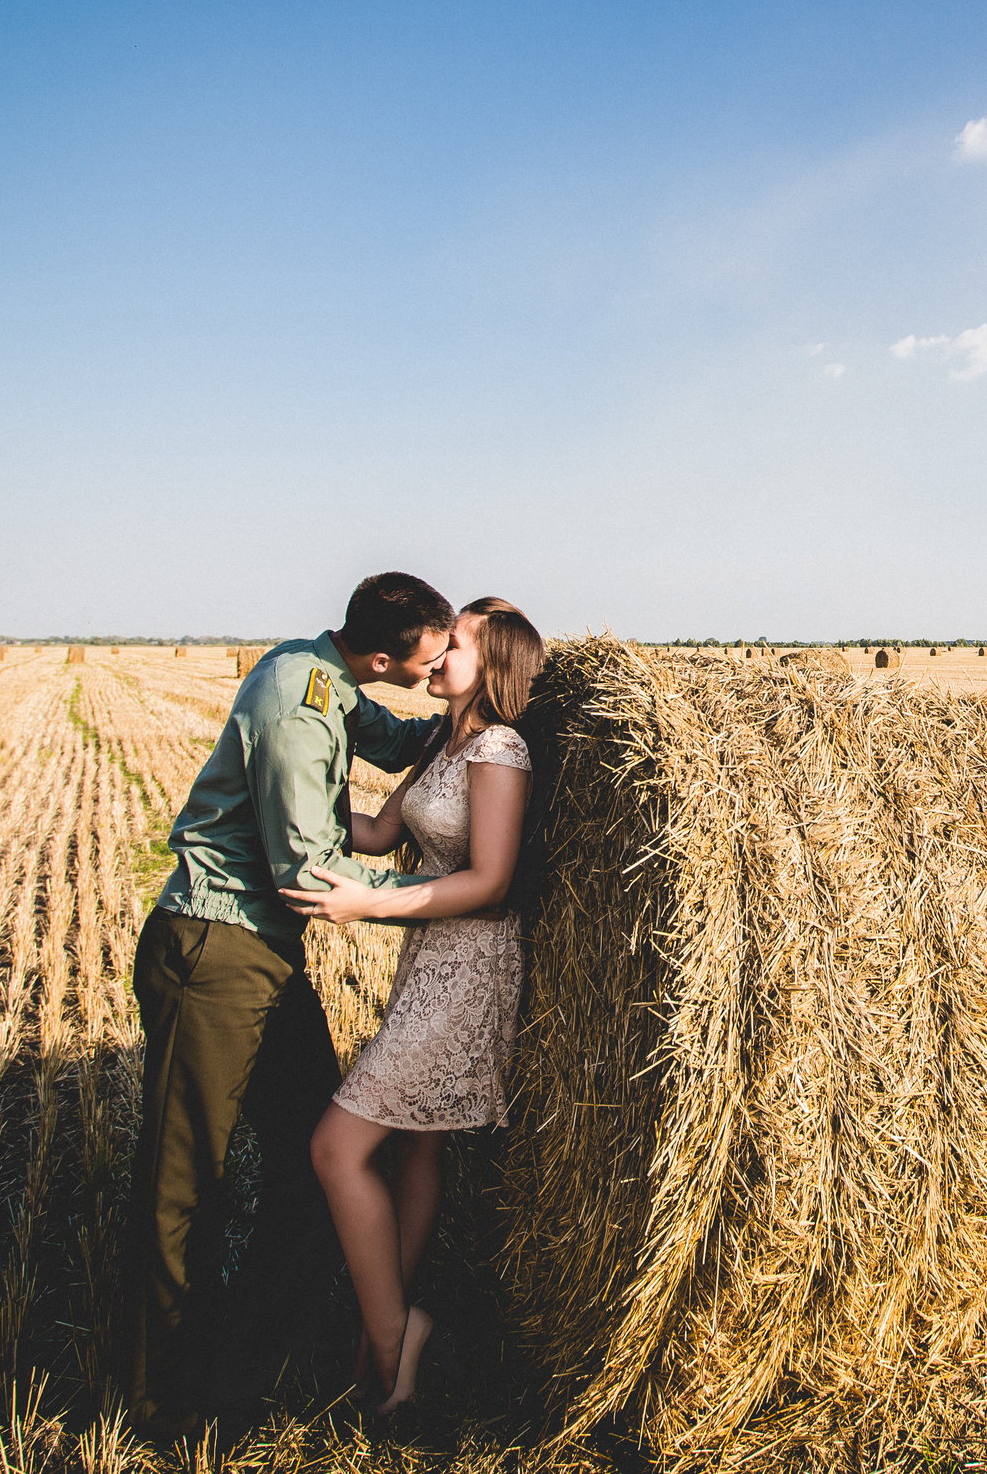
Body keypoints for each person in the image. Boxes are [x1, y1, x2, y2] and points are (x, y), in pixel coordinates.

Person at [126, 572, 456, 1441]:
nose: (435, 671)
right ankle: (167, 1400)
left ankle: (239, 1355)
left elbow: (395, 741)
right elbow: (308, 875)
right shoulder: (299, 705)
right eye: (429, 662)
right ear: (382, 654)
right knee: (186, 1183)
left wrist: (494, 714)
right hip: (215, 947)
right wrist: (451, 893)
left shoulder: (332, 676)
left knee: (314, 1159)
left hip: (259, 953)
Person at [282, 597, 545, 1413]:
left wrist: (370, 906)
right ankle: (380, 1334)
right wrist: (287, 790)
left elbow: (490, 878)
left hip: (468, 967)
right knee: (415, 1147)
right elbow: (374, 831)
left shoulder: (500, 749)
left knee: (337, 1145)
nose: (435, 656)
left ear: (491, 661)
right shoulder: (443, 739)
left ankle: (397, 1331)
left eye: (454, 643)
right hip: (427, 956)